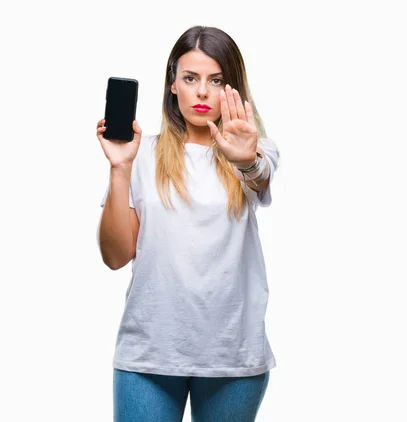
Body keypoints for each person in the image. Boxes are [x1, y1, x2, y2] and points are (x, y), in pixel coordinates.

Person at [97, 25, 279, 422]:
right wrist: (119, 168)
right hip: (149, 354)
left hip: (232, 356)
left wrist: (245, 159)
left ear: (233, 88)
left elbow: (260, 175)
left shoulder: (254, 152)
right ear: (173, 85)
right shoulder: (141, 154)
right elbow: (115, 256)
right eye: (190, 78)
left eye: (216, 81)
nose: (202, 92)